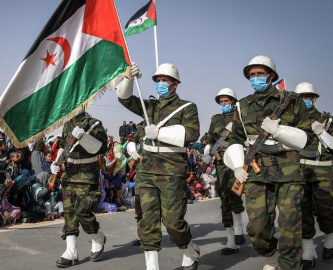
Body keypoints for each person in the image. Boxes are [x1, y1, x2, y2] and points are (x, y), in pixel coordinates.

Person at [224, 55, 312, 270]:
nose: (255, 78)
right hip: (256, 171)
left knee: (290, 225)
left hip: (288, 170)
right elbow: (235, 138)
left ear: (271, 76)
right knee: (256, 228)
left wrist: (279, 131)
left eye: (260, 74)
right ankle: (271, 254)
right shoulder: (242, 106)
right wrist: (237, 165)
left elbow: (307, 136)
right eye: (252, 75)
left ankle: (290, 265)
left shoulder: (291, 100)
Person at [116, 62, 200, 269]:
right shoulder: (149, 107)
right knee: (147, 221)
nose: (160, 84)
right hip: (146, 170)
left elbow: (191, 134)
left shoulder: (187, 107)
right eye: (158, 80)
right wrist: (128, 78)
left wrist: (160, 133)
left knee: (173, 222)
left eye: (165, 80)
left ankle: (189, 249)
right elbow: (124, 99)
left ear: (175, 84)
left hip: (172, 171)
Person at [51, 110, 108, 267]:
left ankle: (97, 237)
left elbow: (102, 148)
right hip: (69, 173)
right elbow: (63, 147)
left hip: (87, 175)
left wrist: (84, 137)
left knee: (83, 211)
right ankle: (71, 251)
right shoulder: (68, 124)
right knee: (69, 212)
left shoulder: (94, 124)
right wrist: (55, 163)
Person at [294, 82, 333, 267]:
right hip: (300, 170)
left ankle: (330, 240)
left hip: (323, 170)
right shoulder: (292, 120)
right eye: (302, 96)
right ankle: (308, 251)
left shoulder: (328, 119)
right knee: (303, 211)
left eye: (309, 96)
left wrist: (322, 132)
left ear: (315, 98)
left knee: (325, 210)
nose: (306, 99)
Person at [202, 88, 246, 255]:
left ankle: (239, 230)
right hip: (221, 165)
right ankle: (230, 240)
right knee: (224, 200)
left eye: (226, 101)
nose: (223, 104)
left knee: (235, 196)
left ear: (233, 101)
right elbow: (211, 140)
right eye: (221, 102)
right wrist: (207, 154)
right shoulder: (216, 119)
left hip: (238, 162)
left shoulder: (241, 117)